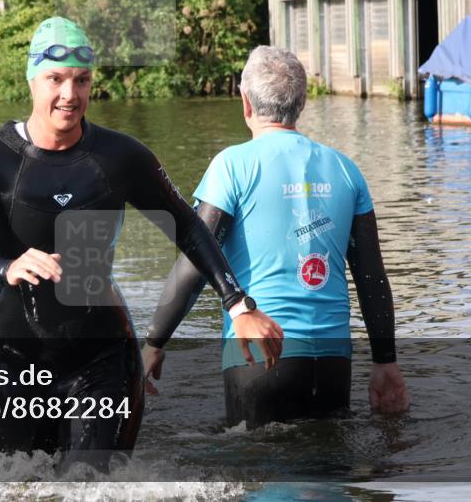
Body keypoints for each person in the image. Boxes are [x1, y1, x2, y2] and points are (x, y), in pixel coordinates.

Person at [0, 17, 283, 471]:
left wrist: (239, 304)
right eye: (55, 79)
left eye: (81, 81)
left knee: (95, 487)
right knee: (15, 486)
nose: (69, 94)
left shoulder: (120, 157)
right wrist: (7, 267)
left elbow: (190, 228)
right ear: (31, 80)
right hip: (14, 357)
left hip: (101, 357)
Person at [142, 46, 409, 428]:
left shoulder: (232, 166)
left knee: (260, 472)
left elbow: (195, 262)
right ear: (301, 103)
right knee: (327, 476)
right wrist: (386, 361)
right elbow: (371, 277)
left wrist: (154, 343)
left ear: (245, 103)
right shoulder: (346, 169)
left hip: (258, 356)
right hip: (333, 360)